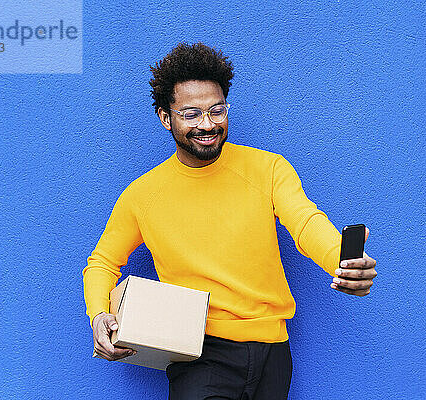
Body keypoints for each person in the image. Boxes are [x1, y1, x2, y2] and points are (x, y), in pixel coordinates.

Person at [82, 42, 377, 400]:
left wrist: (342, 263)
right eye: (191, 114)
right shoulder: (143, 195)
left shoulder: (268, 169)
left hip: (273, 351)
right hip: (198, 353)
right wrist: (98, 314)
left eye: (216, 110)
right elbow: (102, 262)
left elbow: (305, 221)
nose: (207, 125)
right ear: (165, 117)